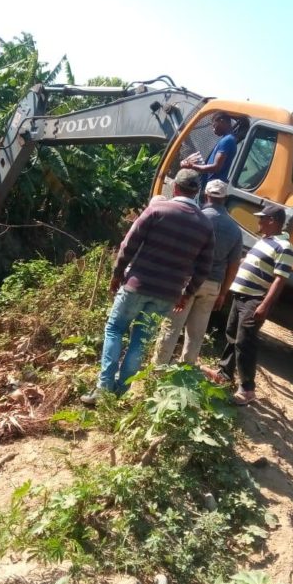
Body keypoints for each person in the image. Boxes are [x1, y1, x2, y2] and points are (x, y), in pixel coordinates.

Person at [81, 169, 214, 406]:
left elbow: (128, 244)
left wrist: (117, 273)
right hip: (168, 294)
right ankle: (121, 393)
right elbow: (204, 269)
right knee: (140, 340)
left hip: (138, 284)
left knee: (115, 329)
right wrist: (187, 294)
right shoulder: (205, 225)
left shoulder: (157, 210)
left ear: (175, 188)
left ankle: (103, 388)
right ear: (197, 192)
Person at [212, 204, 293, 405]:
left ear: (272, 221)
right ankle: (224, 373)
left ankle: (247, 390)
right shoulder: (265, 241)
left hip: (254, 299)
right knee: (232, 336)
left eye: (262, 219)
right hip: (241, 295)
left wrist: (264, 306)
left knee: (245, 342)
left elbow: (279, 280)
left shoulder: (284, 248)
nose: (258, 222)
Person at [153, 179, 242, 366]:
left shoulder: (198, 217)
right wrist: (223, 292)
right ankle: (185, 371)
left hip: (188, 281)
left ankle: (157, 369)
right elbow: (233, 266)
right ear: (226, 198)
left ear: (205, 195)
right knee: (196, 333)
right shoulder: (235, 229)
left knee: (172, 327)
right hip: (213, 286)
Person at [181, 112, 237, 202]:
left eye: (214, 125)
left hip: (212, 188)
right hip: (210, 186)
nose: (213, 130)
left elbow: (216, 167)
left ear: (221, 121)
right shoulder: (227, 139)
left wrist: (192, 166)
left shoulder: (227, 140)